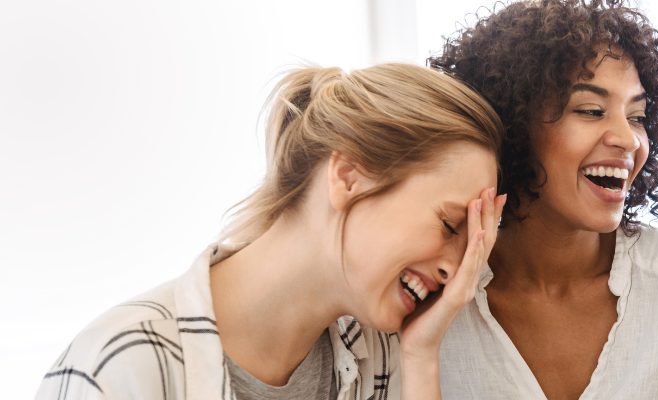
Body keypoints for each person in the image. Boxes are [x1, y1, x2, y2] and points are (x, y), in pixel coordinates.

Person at [37, 63, 507, 400]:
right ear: (347, 177)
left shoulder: (379, 361)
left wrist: (422, 358)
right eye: (449, 226)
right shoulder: (122, 367)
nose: (454, 270)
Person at [427, 1, 658, 399]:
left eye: (638, 116)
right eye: (591, 110)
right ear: (513, 125)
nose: (628, 139)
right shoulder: (429, 292)